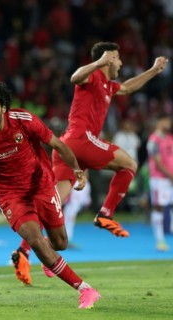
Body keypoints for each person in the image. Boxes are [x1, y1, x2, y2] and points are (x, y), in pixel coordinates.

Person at [0, 81, 100, 309]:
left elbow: (57, 144)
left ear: (3, 108)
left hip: (41, 185)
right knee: (34, 241)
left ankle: (48, 249)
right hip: (10, 196)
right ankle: (85, 289)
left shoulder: (24, 120)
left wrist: (76, 170)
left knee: (60, 244)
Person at [52, 42, 168, 237]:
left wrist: (154, 70)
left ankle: (23, 250)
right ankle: (106, 214)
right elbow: (75, 77)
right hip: (81, 139)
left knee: (53, 202)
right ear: (110, 59)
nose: (121, 64)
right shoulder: (93, 75)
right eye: (118, 59)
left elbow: (127, 88)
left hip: (67, 147)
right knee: (129, 164)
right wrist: (99, 62)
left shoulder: (108, 86)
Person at [146, 113, 173, 252]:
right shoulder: (153, 140)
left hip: (170, 179)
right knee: (159, 207)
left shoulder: (170, 138)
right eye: (166, 120)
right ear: (159, 122)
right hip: (159, 179)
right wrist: (171, 175)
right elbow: (157, 161)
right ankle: (160, 239)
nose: (169, 123)